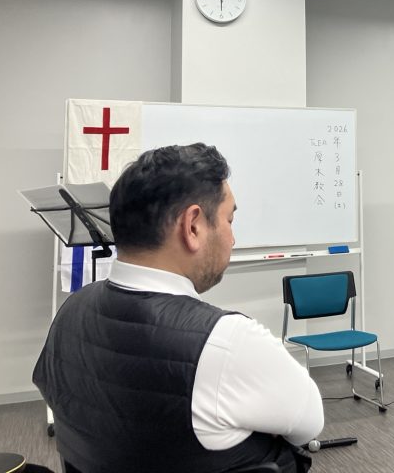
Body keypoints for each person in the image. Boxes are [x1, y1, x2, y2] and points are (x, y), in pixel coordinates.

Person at [33, 143, 324, 473]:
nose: (232, 239)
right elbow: (308, 425)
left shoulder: (70, 311)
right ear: (193, 225)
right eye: (229, 220)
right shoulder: (227, 341)